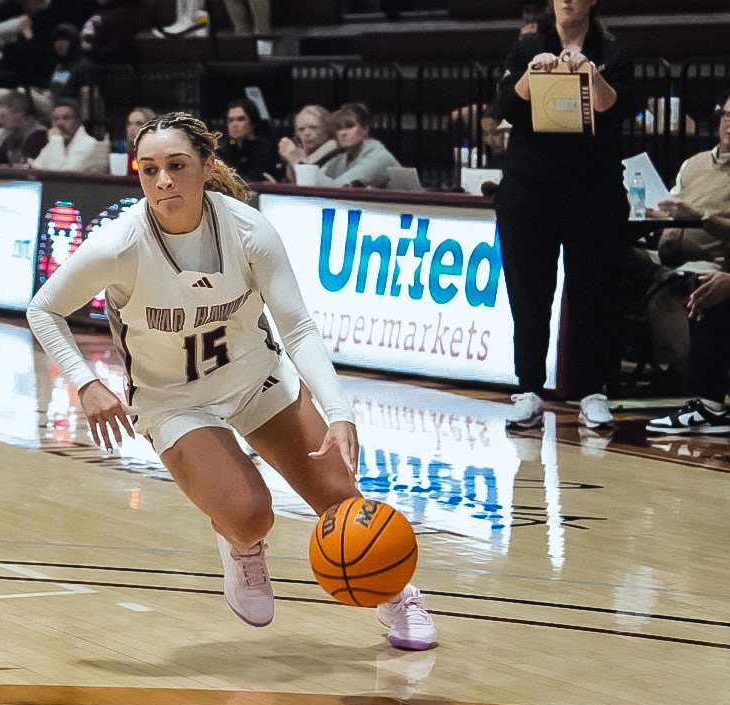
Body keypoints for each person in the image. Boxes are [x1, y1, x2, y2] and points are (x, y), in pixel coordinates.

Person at [26, 112, 437, 651]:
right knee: (250, 514)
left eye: (177, 166)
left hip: (256, 380)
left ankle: (394, 590)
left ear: (206, 166)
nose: (163, 181)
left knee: (344, 502)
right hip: (174, 401)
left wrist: (339, 411)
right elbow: (43, 309)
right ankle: (240, 545)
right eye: (149, 169)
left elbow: (298, 327)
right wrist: (85, 382)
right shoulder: (119, 244)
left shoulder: (248, 229)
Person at [494, 0, 635, 430]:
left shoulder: (613, 52)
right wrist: (532, 75)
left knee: (595, 290)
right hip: (529, 189)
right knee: (529, 291)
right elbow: (505, 107)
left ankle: (593, 392)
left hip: (593, 190)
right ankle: (529, 390)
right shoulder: (527, 47)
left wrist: (590, 74)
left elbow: (620, 108)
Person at [647, 92, 730, 435]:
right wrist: (645, 209)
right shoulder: (693, 164)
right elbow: (669, 208)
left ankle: (707, 403)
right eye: (727, 115)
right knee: (608, 265)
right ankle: (595, 386)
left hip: (712, 262)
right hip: (662, 255)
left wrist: (701, 217)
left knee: (708, 284)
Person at [315, 103, 398, 188]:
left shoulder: (378, 157)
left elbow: (339, 188)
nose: (343, 133)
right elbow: (313, 179)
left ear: (365, 129)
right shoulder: (342, 159)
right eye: (339, 128)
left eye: (349, 126)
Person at [31, 98, 109, 172]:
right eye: (55, 119)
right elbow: (35, 169)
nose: (59, 123)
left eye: (66, 118)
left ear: (78, 123)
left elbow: (60, 174)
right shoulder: (54, 142)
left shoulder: (89, 144)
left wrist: (56, 140)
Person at [217, 99, 280, 183]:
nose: (234, 124)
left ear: (252, 122)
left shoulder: (265, 148)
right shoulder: (227, 146)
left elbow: (253, 178)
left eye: (240, 119)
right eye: (230, 120)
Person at [277, 104, 338, 183]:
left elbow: (311, 183)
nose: (306, 133)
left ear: (326, 128)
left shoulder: (336, 154)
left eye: (313, 128)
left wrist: (294, 159)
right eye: (301, 129)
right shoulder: (299, 150)